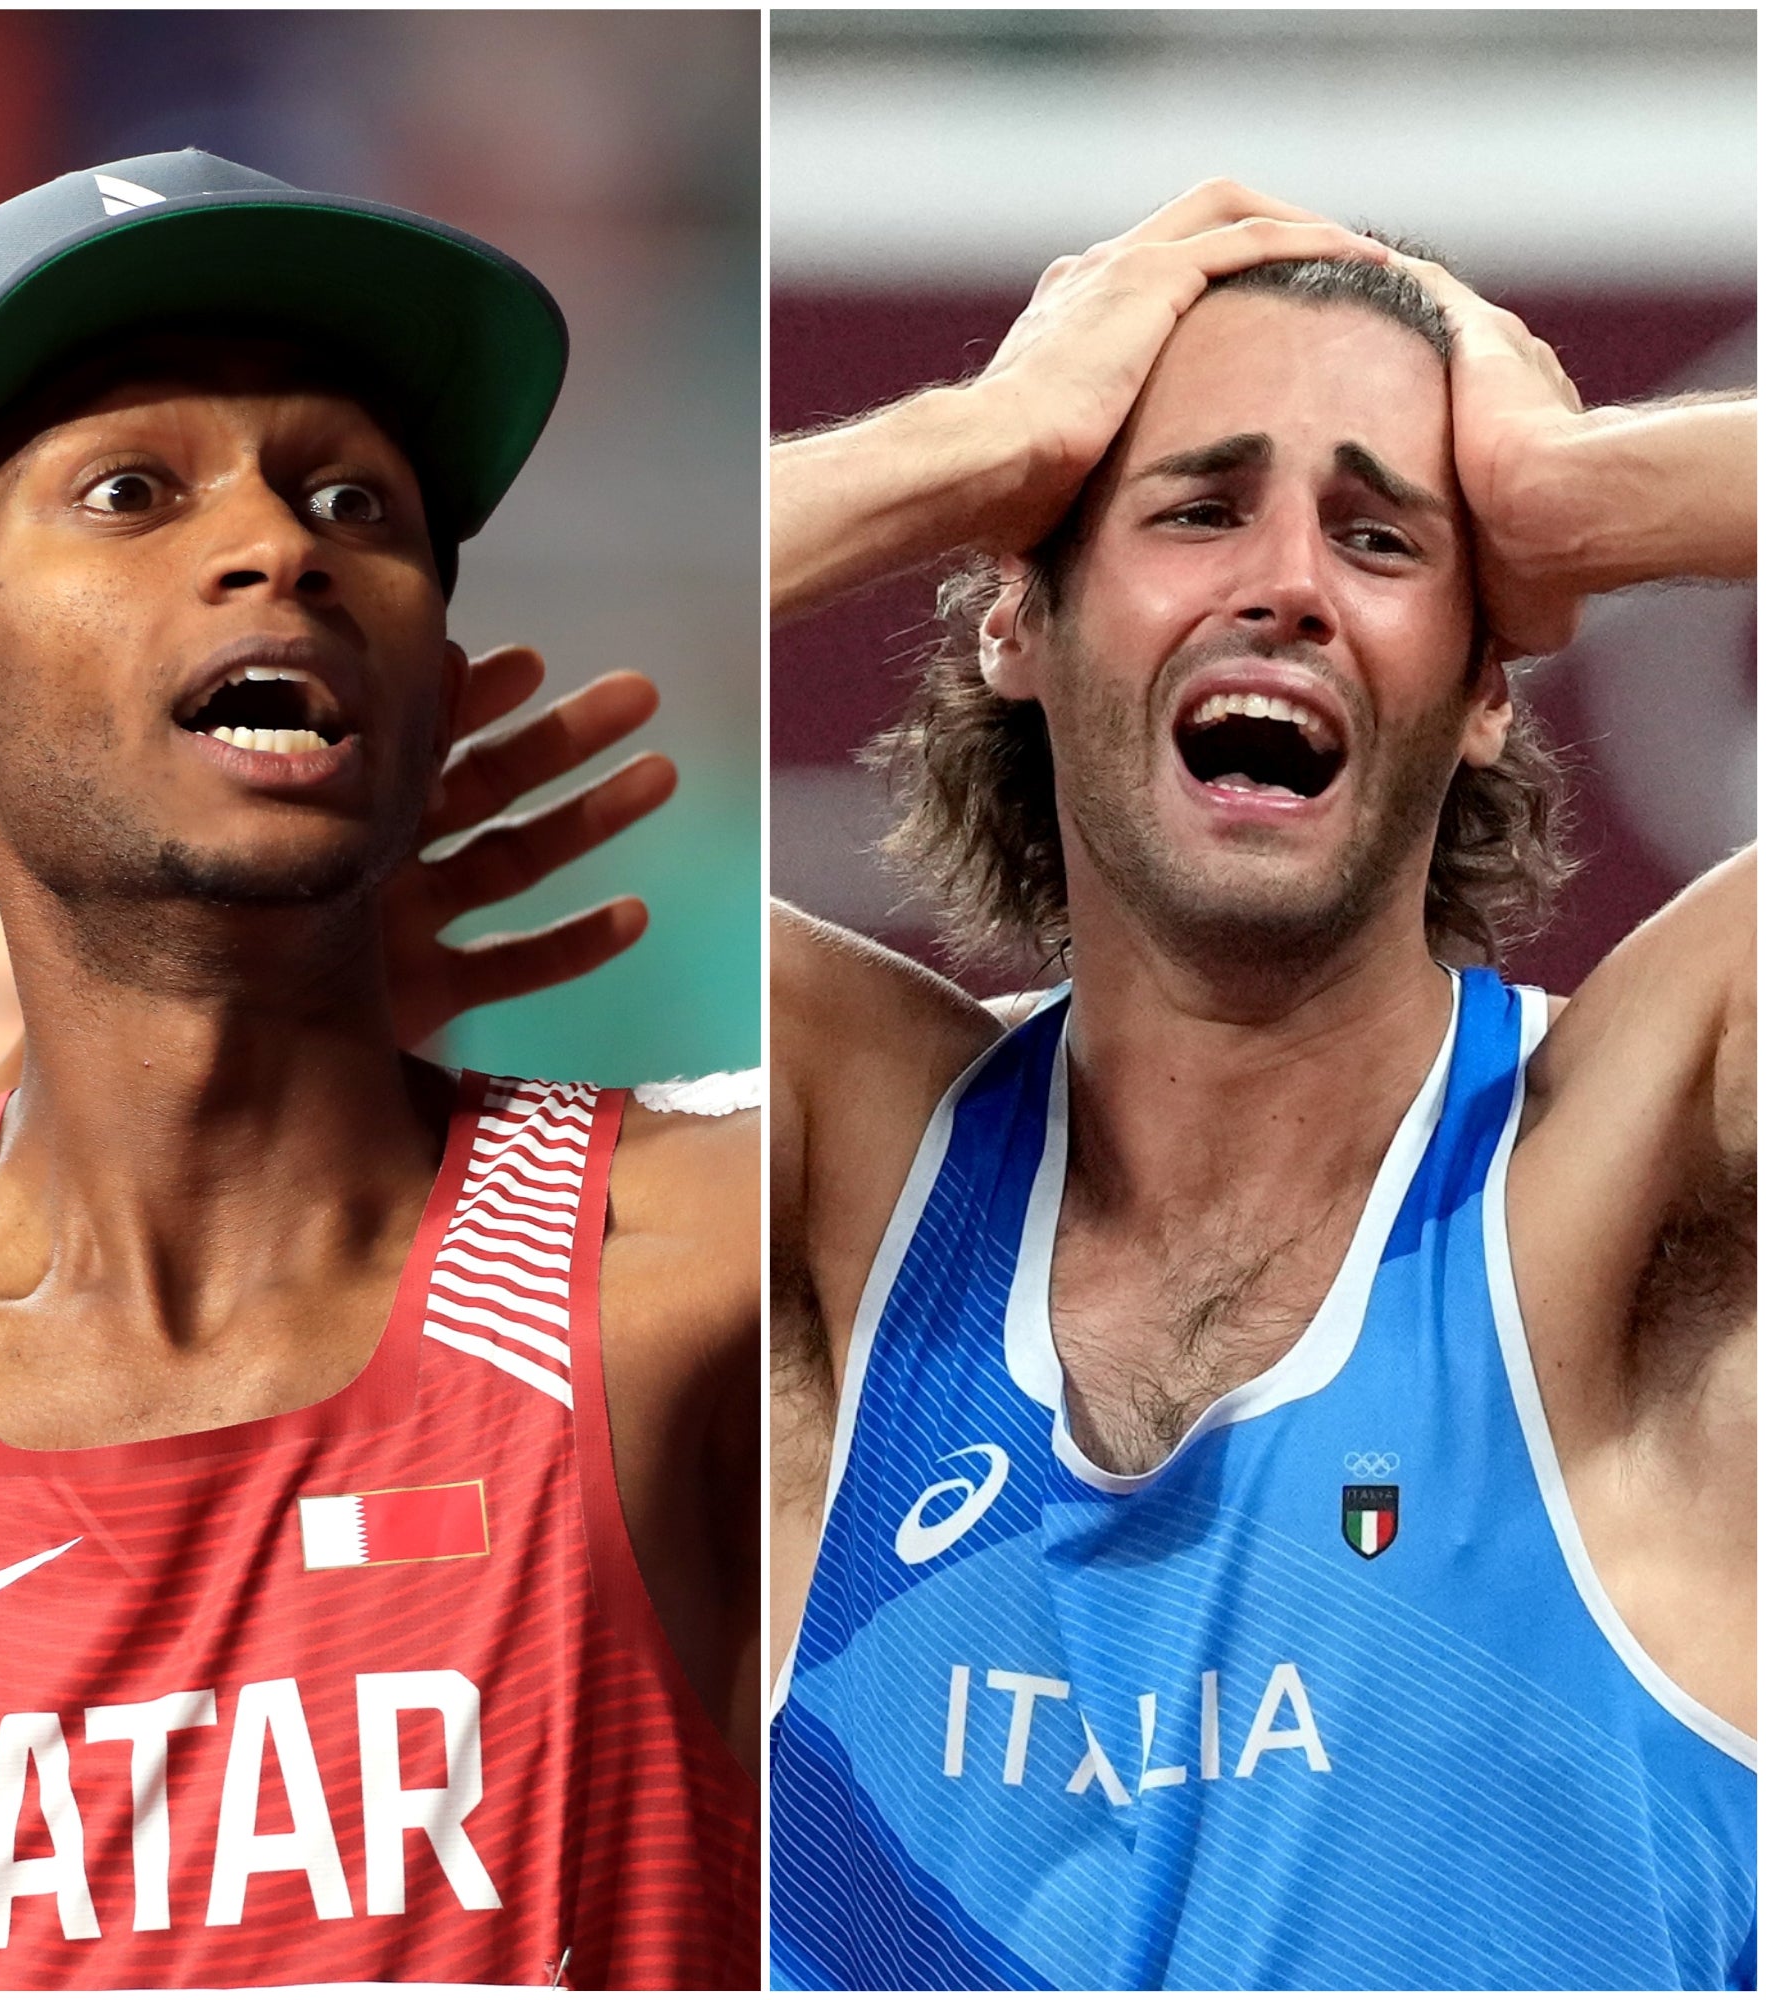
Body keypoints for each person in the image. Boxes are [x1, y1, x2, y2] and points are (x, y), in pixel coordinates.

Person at [0, 149, 758, 1991]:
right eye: (134, 489)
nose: (280, 544)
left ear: (442, 697)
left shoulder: (694, 1264)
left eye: (355, 500)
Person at [769, 181, 1754, 1990]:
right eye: (1199, 508)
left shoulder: (1637, 1189)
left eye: (1384, 545)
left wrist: (1577, 497)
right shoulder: (831, 1202)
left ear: (1482, 696)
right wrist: (980, 443)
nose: (1287, 588)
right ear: (1017, 624)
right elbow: (266, 827)